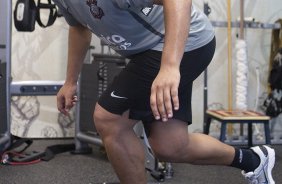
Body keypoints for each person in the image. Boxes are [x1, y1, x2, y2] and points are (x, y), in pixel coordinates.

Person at [53, 0, 276, 183]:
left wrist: (170, 66)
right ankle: (253, 160)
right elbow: (79, 28)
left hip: (184, 43)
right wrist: (70, 81)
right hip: (154, 50)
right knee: (170, 146)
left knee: (108, 119)